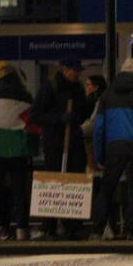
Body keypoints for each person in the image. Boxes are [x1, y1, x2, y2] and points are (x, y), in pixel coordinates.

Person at [89, 57, 133, 241]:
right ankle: (132, 230)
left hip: (114, 146)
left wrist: (99, 155)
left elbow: (98, 127)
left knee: (107, 188)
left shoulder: (107, 94)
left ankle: (97, 230)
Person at [30, 60, 87, 240]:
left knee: (74, 180)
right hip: (55, 142)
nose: (77, 74)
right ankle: (50, 225)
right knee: (54, 180)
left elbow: (83, 111)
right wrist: (59, 118)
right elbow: (36, 116)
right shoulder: (50, 87)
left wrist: (75, 118)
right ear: (65, 69)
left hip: (74, 142)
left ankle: (73, 224)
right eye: (74, 70)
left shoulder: (77, 89)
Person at [0, 65, 35, 241]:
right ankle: (21, 229)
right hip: (18, 152)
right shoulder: (26, 98)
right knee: (19, 191)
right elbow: (31, 125)